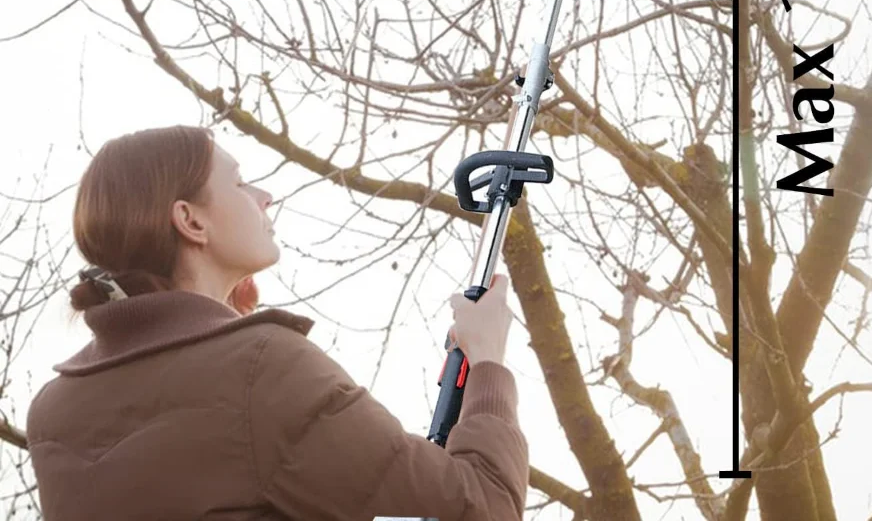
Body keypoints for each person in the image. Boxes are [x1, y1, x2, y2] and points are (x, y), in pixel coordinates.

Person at [26, 125, 528, 520]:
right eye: (240, 183)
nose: (265, 197)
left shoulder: (54, 410)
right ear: (191, 221)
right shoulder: (260, 369)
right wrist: (487, 363)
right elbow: (482, 508)